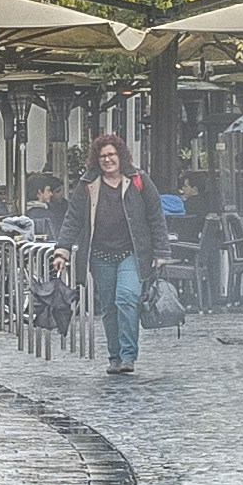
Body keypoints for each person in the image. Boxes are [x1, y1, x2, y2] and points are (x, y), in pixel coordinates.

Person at [82, 138, 155, 380]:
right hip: (100, 253)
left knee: (126, 297)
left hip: (130, 252)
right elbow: (73, 217)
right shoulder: (88, 184)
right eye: (103, 156)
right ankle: (114, 357)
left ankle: (128, 355)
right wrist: (61, 249)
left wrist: (162, 252)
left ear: (120, 156)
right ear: (97, 159)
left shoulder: (138, 180)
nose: (108, 159)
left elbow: (156, 216)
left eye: (112, 154)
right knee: (109, 307)